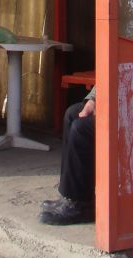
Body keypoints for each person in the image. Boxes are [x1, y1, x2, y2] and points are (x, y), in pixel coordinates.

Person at [38, 86, 95, 225]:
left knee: (81, 128)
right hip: (112, 100)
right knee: (71, 114)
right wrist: (93, 100)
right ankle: (69, 195)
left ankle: (81, 206)